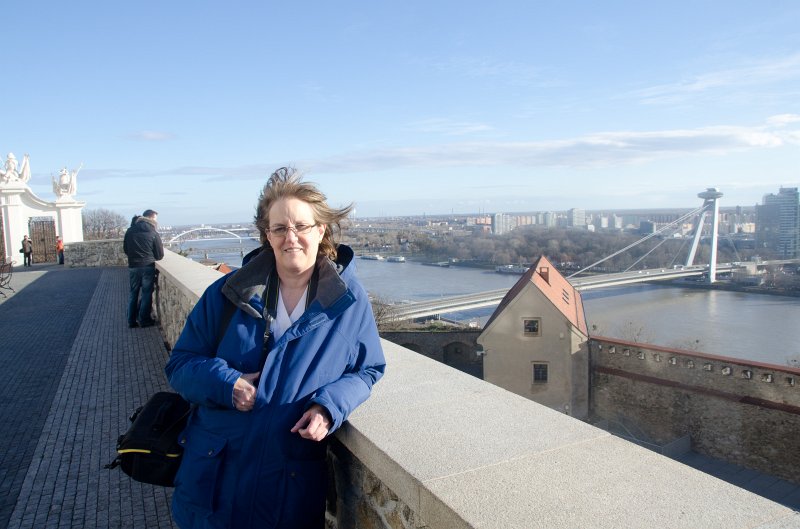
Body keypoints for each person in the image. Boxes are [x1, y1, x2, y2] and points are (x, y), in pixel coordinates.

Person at [165, 168, 386, 528]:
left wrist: (330, 407)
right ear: (267, 236)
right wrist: (226, 383)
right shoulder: (226, 295)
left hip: (289, 486)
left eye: (302, 226)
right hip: (215, 484)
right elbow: (180, 364)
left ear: (321, 231)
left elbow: (368, 369)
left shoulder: (347, 301)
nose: (291, 238)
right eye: (280, 228)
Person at [123, 209, 164, 328]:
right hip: (147, 266)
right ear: (150, 218)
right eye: (155, 219)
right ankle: (144, 320)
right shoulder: (153, 232)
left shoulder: (130, 231)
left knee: (133, 293)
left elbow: (126, 249)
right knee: (146, 293)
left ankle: (131, 320)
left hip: (133, 266)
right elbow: (160, 255)